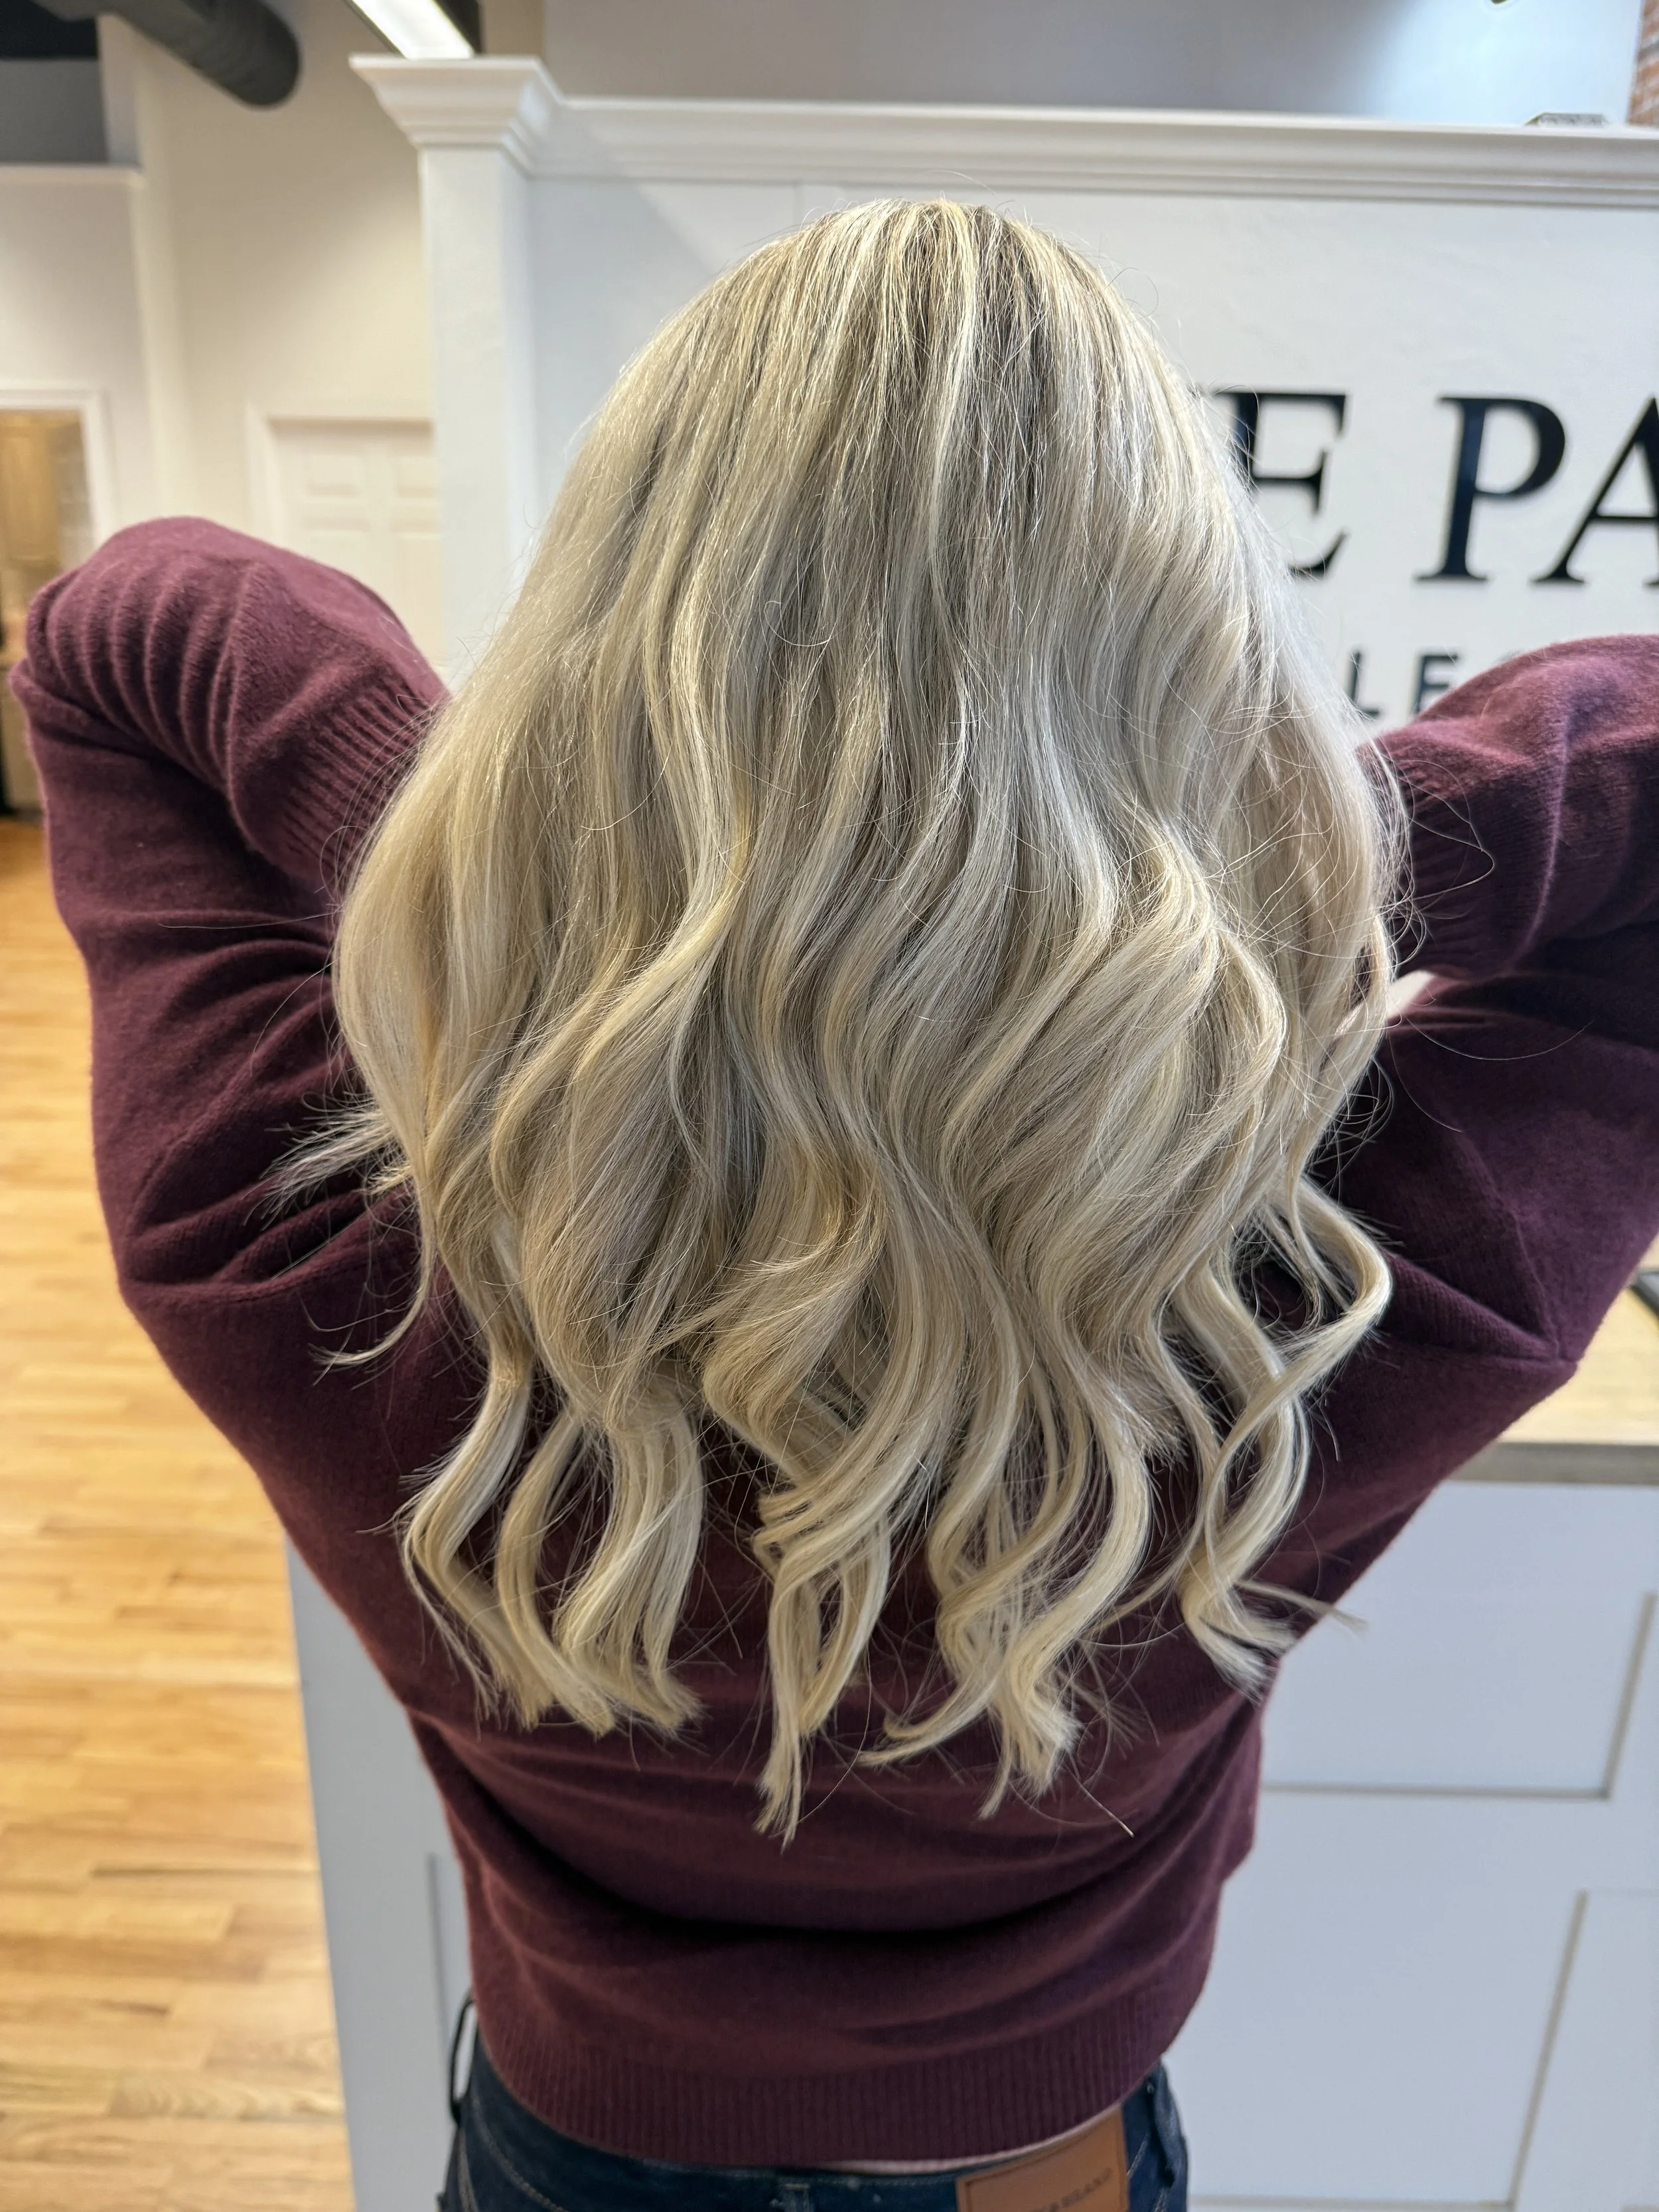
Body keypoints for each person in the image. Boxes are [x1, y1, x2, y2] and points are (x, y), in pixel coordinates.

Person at [12, 198, 1658, 2212]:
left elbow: (131, 620)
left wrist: (515, 891)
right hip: (1039, 2159)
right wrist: (1231, 908)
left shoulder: (291, 1257)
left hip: (577, 2144)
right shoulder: (1329, 1316)